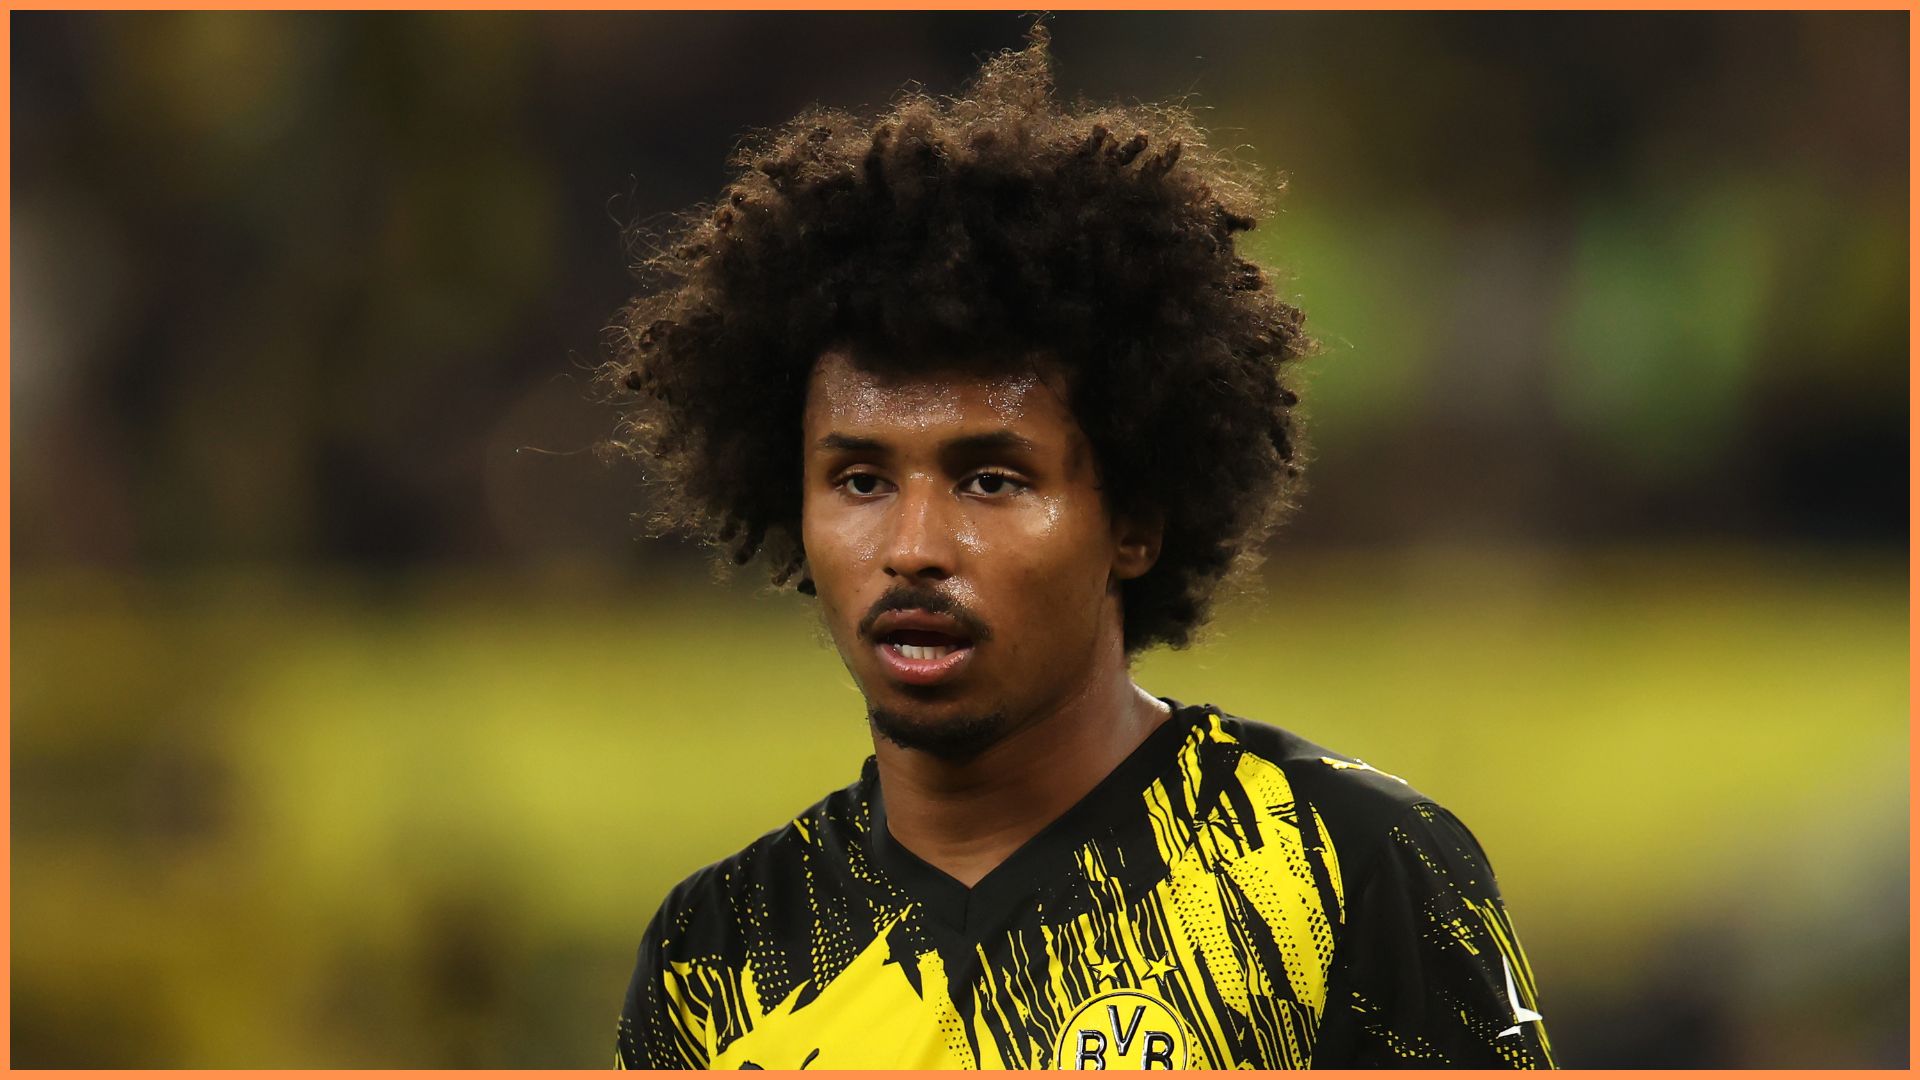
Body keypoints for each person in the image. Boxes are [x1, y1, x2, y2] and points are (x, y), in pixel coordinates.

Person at [603, 26, 1553, 1070]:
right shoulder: (718, 957)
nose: (914, 546)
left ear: (1135, 522)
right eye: (861, 481)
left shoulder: (1348, 872)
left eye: (991, 481)